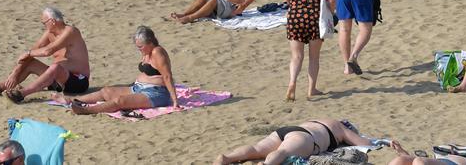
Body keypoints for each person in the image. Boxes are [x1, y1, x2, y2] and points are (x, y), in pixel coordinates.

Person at [0, 7, 92, 102]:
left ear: (52, 21)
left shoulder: (70, 31)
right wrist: (15, 72)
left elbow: (48, 51)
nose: (44, 26)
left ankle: (21, 94)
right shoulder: (49, 33)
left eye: (44, 23)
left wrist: (28, 53)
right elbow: (33, 51)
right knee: (31, 63)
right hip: (57, 81)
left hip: (78, 82)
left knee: (55, 67)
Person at [68, 26, 178, 115]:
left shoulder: (157, 52)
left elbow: (167, 76)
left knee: (120, 101)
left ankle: (86, 111)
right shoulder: (147, 52)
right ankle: (73, 100)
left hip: (156, 93)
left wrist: (175, 101)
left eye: (141, 47)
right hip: (138, 88)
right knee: (106, 91)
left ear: (150, 43)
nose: (139, 49)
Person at [285, 0, 335, 101]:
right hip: (314, 19)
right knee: (314, 57)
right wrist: (330, 13)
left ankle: (292, 82)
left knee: (296, 57)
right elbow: (332, 0)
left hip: (295, 18)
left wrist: (296, 8)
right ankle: (311, 89)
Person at [213, 119, 377, 165]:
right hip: (306, 138)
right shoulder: (339, 127)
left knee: (257, 148)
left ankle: (227, 157)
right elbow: (364, 143)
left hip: (288, 130)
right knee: (283, 153)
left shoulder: (322, 120)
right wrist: (377, 142)